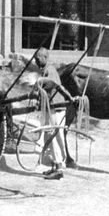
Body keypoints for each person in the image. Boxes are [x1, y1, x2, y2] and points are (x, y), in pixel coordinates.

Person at [33, 47, 76, 180]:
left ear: (45, 58)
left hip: (56, 109)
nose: (36, 61)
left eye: (37, 58)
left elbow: (54, 84)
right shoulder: (46, 70)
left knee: (54, 137)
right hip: (52, 107)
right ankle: (54, 166)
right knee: (50, 137)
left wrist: (39, 84)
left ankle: (58, 168)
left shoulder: (49, 70)